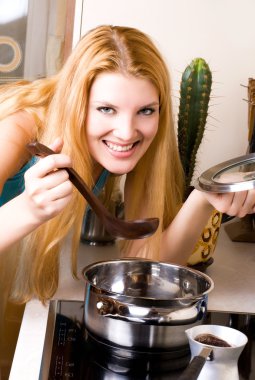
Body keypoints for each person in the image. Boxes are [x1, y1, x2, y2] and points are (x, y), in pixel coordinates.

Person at [0, 25, 254, 304]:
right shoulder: (17, 129)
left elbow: (148, 267)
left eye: (145, 110)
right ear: (78, 104)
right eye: (106, 109)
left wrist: (203, 199)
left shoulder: (137, 145)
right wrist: (28, 209)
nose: (126, 132)